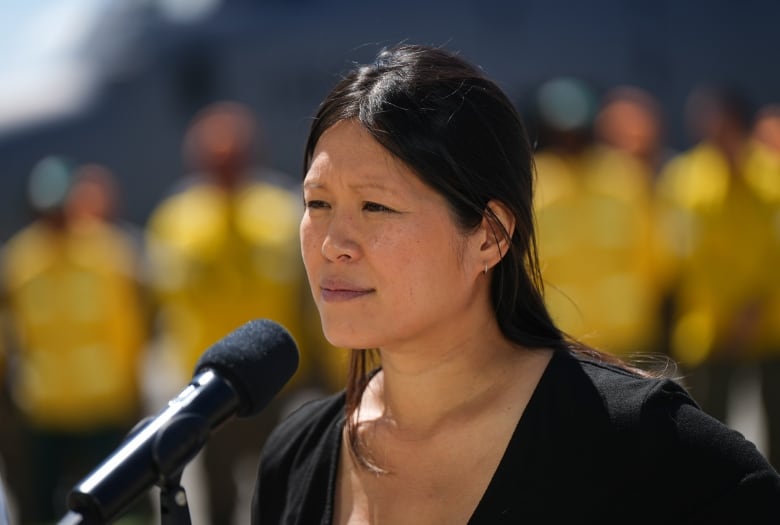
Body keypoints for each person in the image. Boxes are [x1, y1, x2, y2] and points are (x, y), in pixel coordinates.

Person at [251, 45, 780, 524]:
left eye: (375, 206)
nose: (331, 243)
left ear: (490, 235)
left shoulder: (648, 446)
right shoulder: (295, 459)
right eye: (317, 203)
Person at [145, 100, 340, 525]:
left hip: (282, 388)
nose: (225, 168)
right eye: (215, 160)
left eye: (233, 158)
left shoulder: (283, 210)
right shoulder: (173, 220)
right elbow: (153, 305)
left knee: (287, 495)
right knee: (215, 499)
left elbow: (314, 297)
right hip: (210, 389)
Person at [0, 157, 150, 522]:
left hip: (104, 404)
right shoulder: (20, 262)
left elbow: (131, 326)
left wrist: (132, 386)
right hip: (46, 409)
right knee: (44, 507)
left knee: (121, 503)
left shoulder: (109, 252)